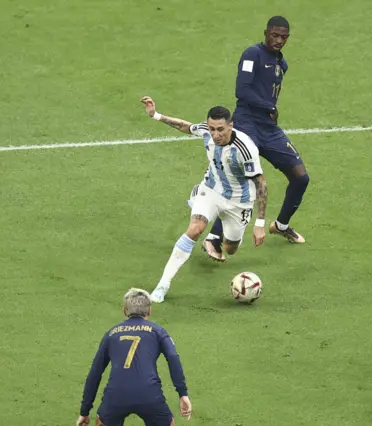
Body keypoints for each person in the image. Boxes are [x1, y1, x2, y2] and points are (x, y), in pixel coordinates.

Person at [140, 96, 268, 302]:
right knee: (195, 229)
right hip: (211, 190)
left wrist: (260, 223)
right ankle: (162, 286)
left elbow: (261, 183)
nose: (215, 134)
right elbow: (185, 126)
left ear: (230, 126)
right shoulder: (206, 132)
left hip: (239, 202)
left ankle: (217, 231)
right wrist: (155, 115)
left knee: (230, 248)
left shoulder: (245, 148)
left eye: (220, 129)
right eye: (211, 129)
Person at [202, 15, 308, 262]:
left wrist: (269, 112)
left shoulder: (282, 63)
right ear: (266, 33)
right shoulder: (252, 55)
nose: (279, 40)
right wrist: (266, 105)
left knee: (301, 177)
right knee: (242, 180)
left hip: (269, 128)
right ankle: (214, 239)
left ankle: (281, 225)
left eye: (283, 37)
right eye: (275, 35)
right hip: (248, 122)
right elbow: (242, 90)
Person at [76, 288, 192, 426]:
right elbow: (173, 357)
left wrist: (84, 411)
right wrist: (182, 393)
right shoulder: (158, 331)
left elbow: (95, 373)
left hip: (116, 395)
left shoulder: (111, 334)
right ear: (149, 311)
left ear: (125, 311)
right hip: (149, 394)